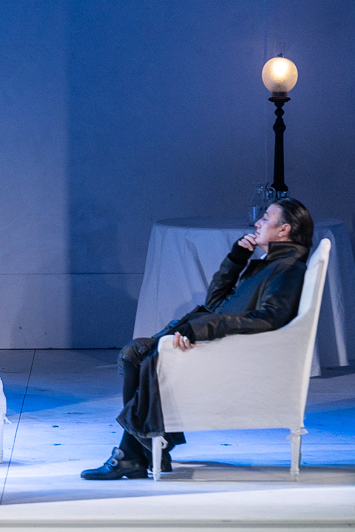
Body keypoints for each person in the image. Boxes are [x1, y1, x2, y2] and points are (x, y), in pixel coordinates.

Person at [81, 198, 314, 480]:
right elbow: (215, 303)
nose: (257, 223)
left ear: (284, 230)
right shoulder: (270, 264)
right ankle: (141, 451)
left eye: (265, 218)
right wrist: (236, 260)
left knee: (141, 354)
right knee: (134, 353)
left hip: (228, 354)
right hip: (218, 343)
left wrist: (205, 329)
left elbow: (270, 318)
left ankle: (134, 454)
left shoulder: (288, 269)